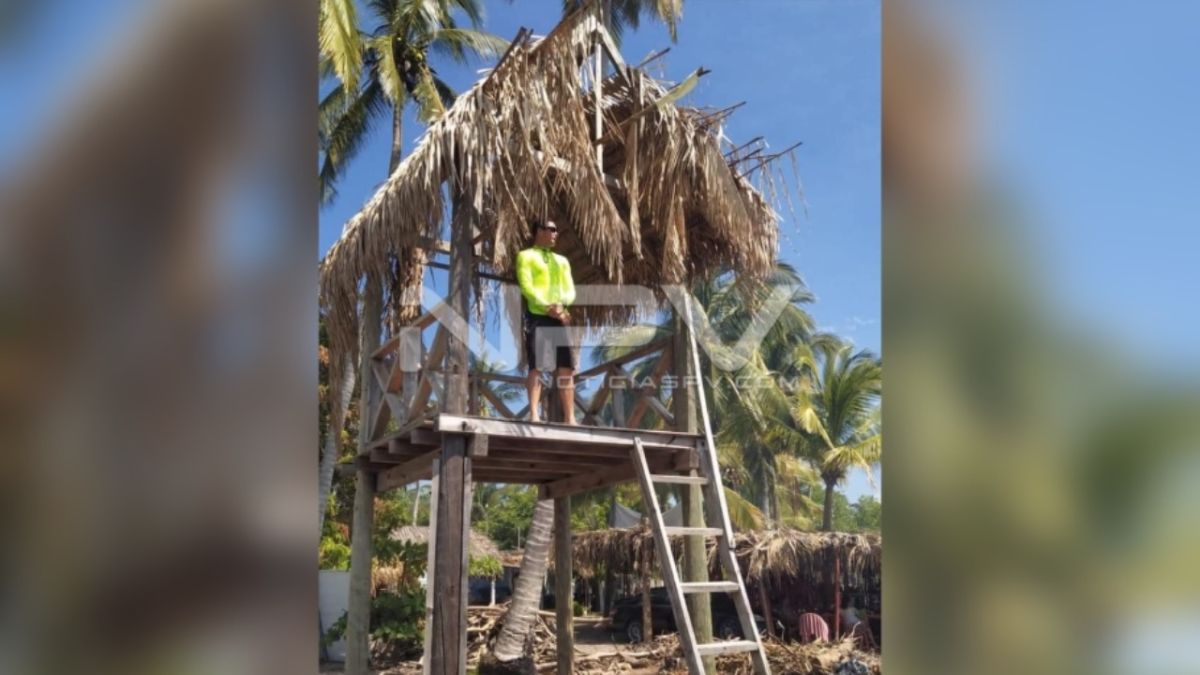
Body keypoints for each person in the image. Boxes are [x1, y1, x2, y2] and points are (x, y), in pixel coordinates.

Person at [515, 219, 577, 424]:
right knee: (537, 366)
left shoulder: (562, 261)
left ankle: (570, 417)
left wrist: (560, 306)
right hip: (537, 316)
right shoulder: (525, 256)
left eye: (556, 229)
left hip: (560, 316)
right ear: (539, 231)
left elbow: (570, 290)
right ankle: (534, 414)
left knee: (566, 367)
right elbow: (526, 287)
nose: (555, 233)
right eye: (551, 229)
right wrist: (546, 306)